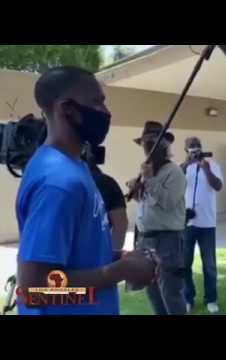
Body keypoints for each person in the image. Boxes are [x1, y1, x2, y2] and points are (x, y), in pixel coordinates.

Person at [16, 66, 156, 315]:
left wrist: (120, 259)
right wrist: (121, 271)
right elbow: (34, 291)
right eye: (97, 102)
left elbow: (71, 258)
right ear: (66, 109)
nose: (105, 111)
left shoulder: (75, 166)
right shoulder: (58, 182)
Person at [127, 121, 187, 315]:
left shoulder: (174, 172)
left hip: (167, 240)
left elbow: (168, 203)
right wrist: (136, 191)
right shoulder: (148, 171)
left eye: (151, 143)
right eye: (144, 144)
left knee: (171, 293)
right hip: (145, 239)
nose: (146, 148)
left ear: (162, 146)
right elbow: (149, 204)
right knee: (152, 292)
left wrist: (150, 180)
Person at [182, 137, 223, 314]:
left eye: (197, 147)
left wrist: (206, 170)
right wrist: (186, 164)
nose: (194, 150)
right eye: (191, 148)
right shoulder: (182, 167)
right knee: (184, 264)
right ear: (186, 151)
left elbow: (218, 186)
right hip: (186, 223)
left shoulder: (212, 165)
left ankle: (211, 299)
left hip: (207, 223)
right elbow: (173, 183)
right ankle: (187, 298)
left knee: (209, 265)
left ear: (201, 148)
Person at [83, 145, 128, 250]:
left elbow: (121, 223)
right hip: (96, 252)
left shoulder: (105, 183)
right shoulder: (108, 183)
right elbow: (121, 223)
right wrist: (111, 255)